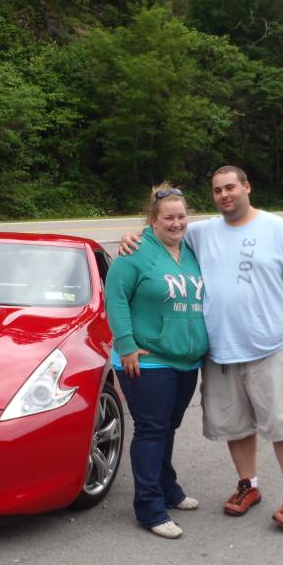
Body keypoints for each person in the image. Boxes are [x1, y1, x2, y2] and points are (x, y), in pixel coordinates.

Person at [121, 166, 283, 531]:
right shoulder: (203, 231)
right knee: (236, 425)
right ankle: (249, 484)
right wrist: (130, 236)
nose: (224, 195)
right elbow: (163, 227)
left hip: (270, 348)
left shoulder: (278, 231)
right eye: (217, 190)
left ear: (247, 187)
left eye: (230, 187)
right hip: (221, 354)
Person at [105, 183, 208, 540]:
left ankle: (168, 488)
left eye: (181, 217)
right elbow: (115, 296)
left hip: (185, 361)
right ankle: (149, 508)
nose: (176, 223)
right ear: (153, 220)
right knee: (151, 429)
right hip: (146, 360)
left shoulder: (192, 251)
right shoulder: (135, 251)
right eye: (169, 218)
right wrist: (127, 345)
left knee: (169, 426)